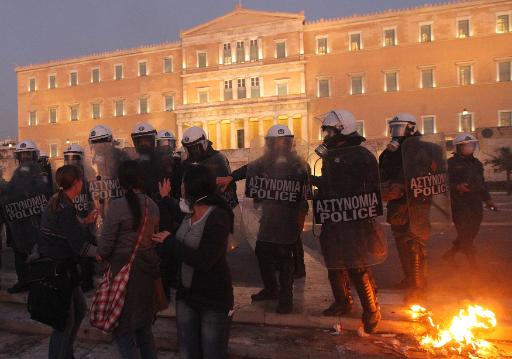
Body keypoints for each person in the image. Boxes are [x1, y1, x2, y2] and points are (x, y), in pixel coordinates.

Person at [217, 125, 308, 313]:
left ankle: (286, 298)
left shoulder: (298, 163)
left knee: (284, 256)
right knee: (263, 250)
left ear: (290, 142)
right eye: (277, 141)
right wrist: (231, 177)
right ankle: (271, 288)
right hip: (269, 215)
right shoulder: (265, 161)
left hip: (288, 216)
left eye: (284, 141)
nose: (281, 144)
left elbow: (304, 190)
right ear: (270, 143)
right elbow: (248, 169)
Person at [311, 110, 382, 333]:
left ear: (342, 130)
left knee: (357, 265)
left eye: (329, 130)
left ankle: (371, 309)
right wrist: (312, 183)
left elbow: (371, 187)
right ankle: (342, 301)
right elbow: (329, 184)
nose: (326, 135)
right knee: (334, 262)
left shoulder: (361, 155)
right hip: (333, 217)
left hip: (353, 219)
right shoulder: (331, 155)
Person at [153, 164, 234, 359]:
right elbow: (178, 211)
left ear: (192, 187)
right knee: (189, 353)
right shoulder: (190, 214)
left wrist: (170, 240)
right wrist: (165, 198)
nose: (181, 186)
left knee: (212, 353)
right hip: (187, 299)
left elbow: (204, 260)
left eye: (183, 183)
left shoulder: (217, 218)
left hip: (212, 301)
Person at [379, 113, 446, 303]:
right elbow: (382, 174)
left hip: (418, 204)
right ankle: (410, 277)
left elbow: (437, 174)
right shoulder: (389, 153)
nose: (395, 133)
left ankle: (419, 285)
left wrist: (404, 185)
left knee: (416, 243)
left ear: (411, 128)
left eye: (398, 128)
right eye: (393, 128)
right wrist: (387, 188)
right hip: (398, 205)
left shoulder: (428, 150)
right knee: (401, 242)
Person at [97, 160, 160, 359]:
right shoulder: (153, 205)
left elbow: (104, 247)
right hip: (147, 273)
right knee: (144, 329)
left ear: (121, 181)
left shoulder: (117, 206)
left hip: (123, 276)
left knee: (123, 330)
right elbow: (154, 240)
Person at [38, 165, 99, 359]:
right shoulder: (65, 208)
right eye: (81, 180)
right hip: (60, 271)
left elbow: (66, 228)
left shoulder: (57, 200)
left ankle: (66, 353)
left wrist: (85, 221)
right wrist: (102, 254)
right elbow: (79, 247)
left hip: (62, 269)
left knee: (79, 310)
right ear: (76, 183)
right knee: (65, 321)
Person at [1, 140, 52, 293]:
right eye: (22, 155)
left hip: (36, 220)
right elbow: (10, 191)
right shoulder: (17, 173)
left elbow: (45, 193)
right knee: (19, 252)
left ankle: (38, 281)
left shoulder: (41, 172)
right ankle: (23, 281)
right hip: (21, 220)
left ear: (34, 156)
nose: (25, 158)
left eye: (27, 154)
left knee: (38, 252)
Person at [443, 134, 495, 265]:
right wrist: (457, 186)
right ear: (458, 147)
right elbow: (443, 184)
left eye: (471, 144)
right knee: (464, 233)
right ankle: (473, 266)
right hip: (458, 204)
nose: (468, 147)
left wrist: (488, 200)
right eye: (465, 145)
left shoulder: (476, 163)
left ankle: (450, 254)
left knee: (471, 232)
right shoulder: (450, 163)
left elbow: (482, 183)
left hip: (475, 203)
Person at [63, 144, 97, 292]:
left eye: (75, 159)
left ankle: (87, 281)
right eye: (70, 159)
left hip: (86, 220)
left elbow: (94, 197)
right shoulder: (65, 178)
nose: (73, 163)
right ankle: (78, 280)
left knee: (85, 254)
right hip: (74, 220)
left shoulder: (87, 177)